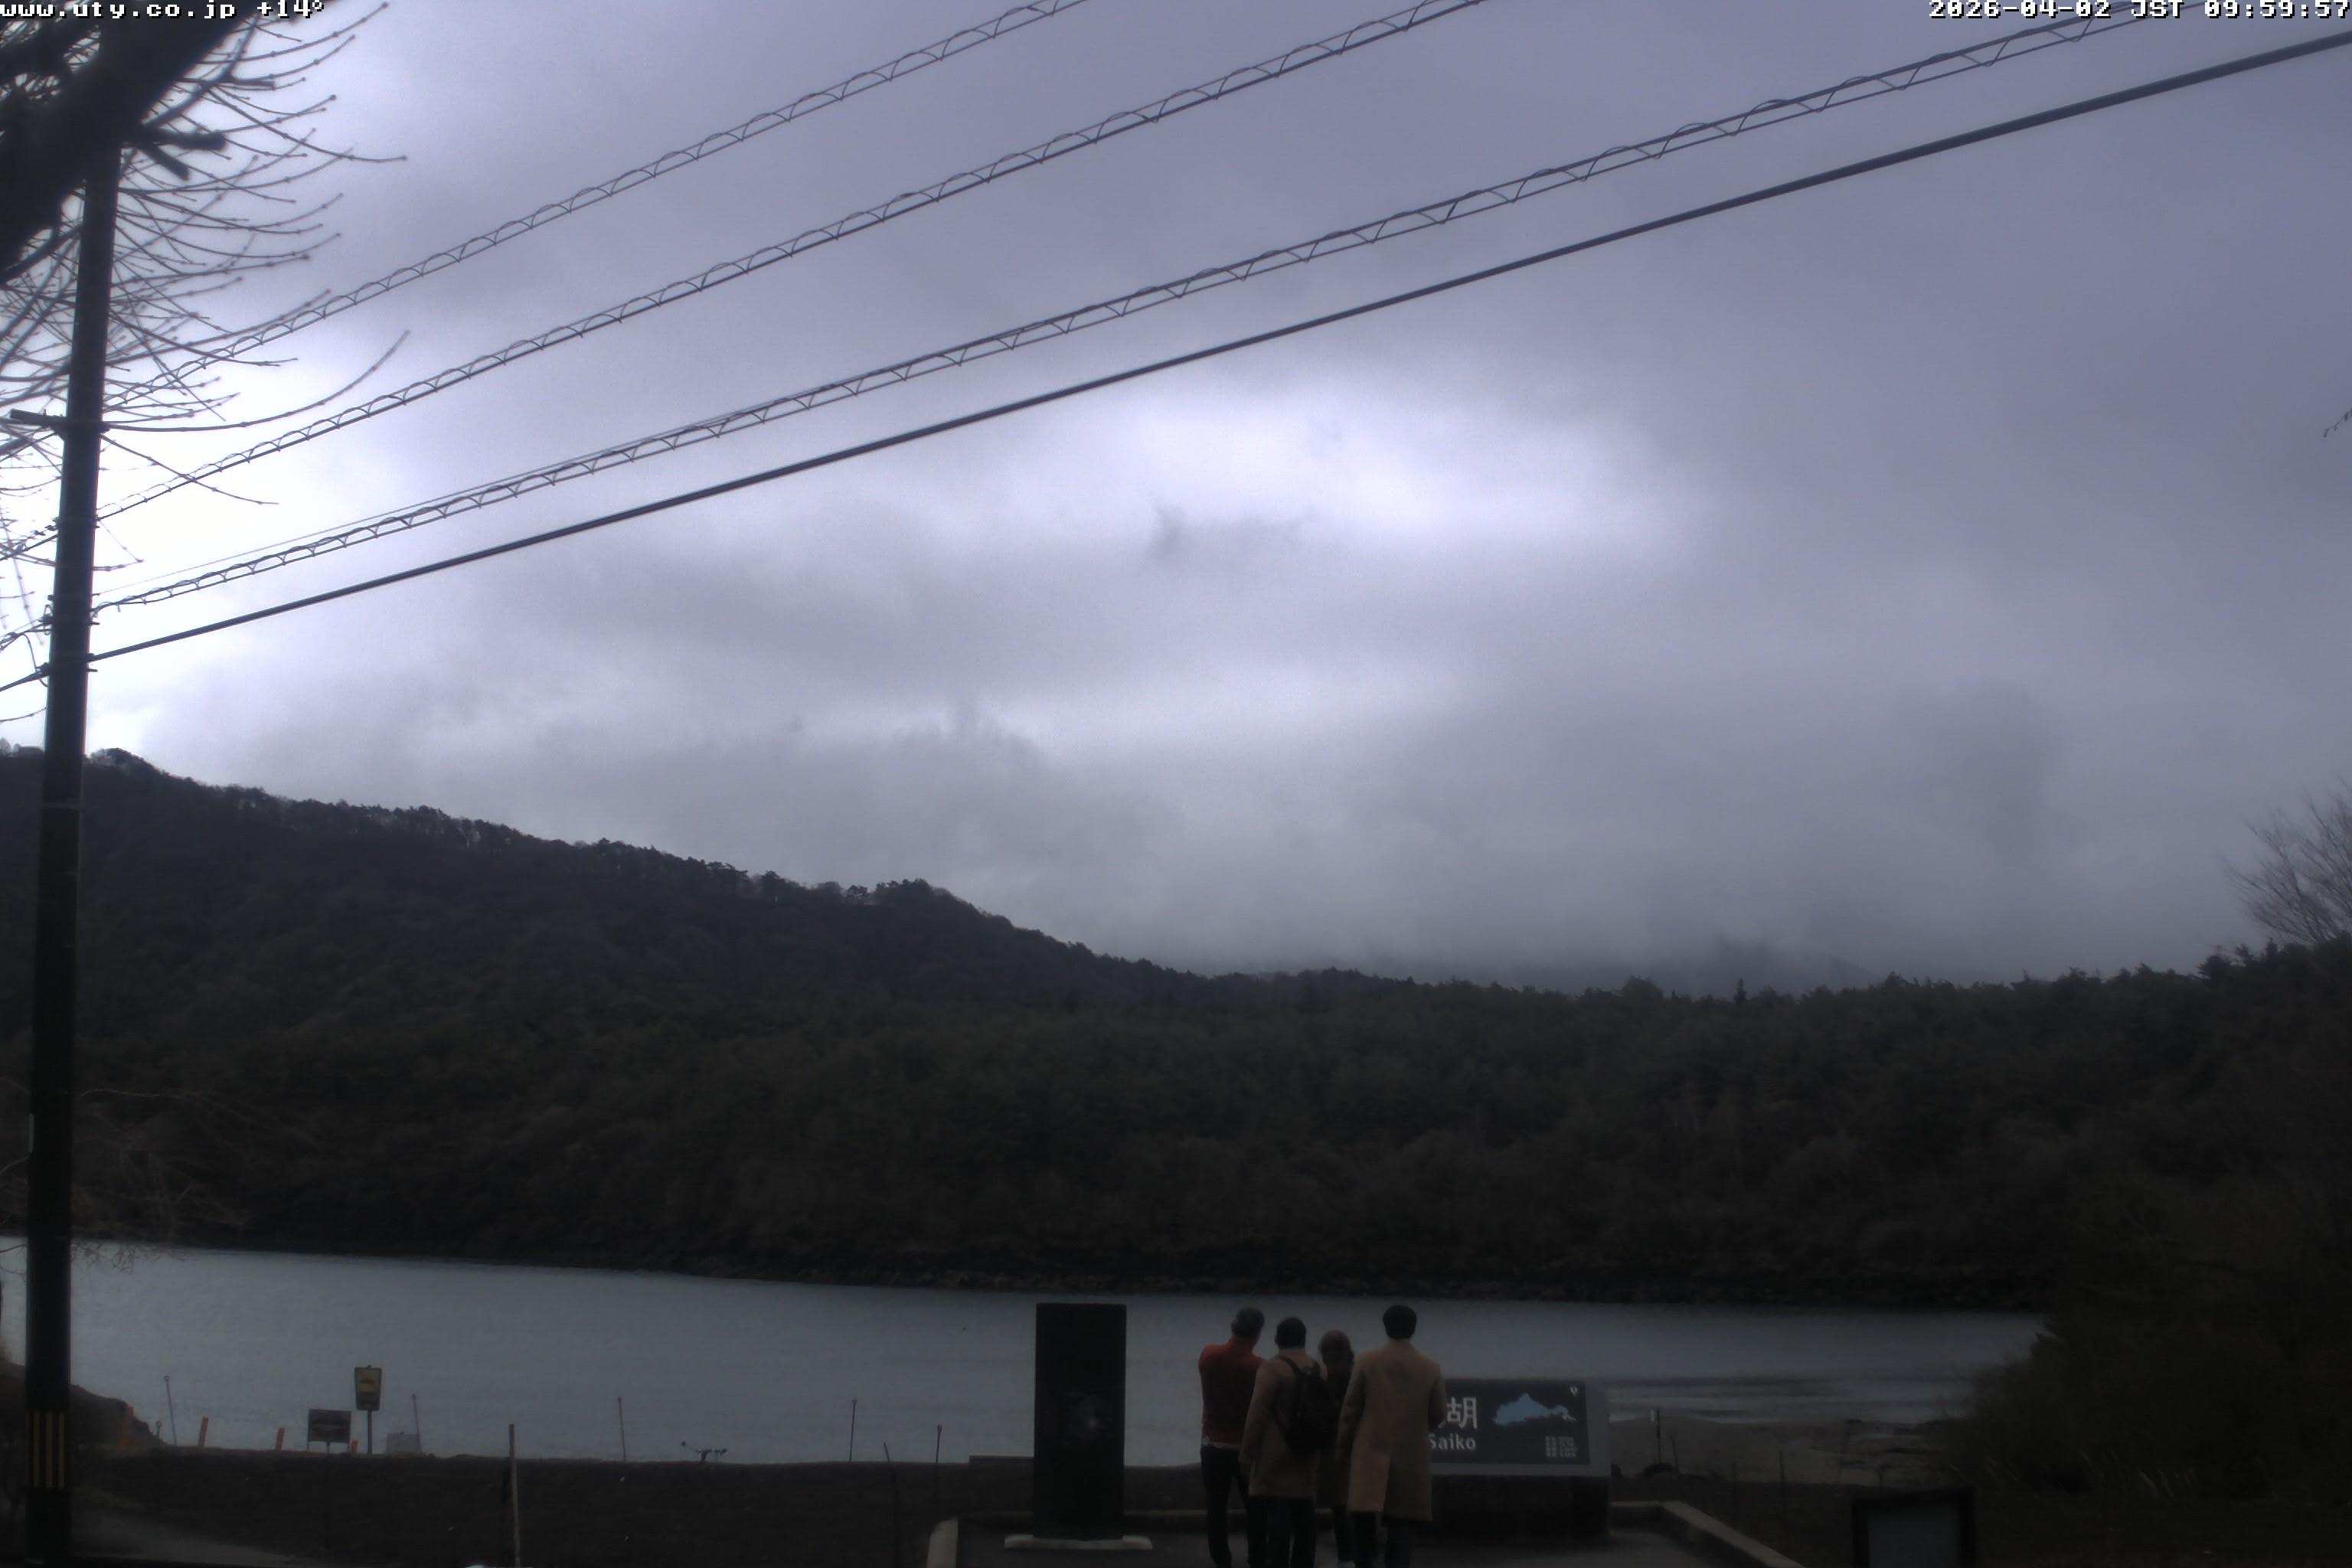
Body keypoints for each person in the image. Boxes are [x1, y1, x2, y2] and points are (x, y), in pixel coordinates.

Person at [1336, 1303, 1445, 1568]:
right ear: (1413, 1329)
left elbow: (1350, 1410)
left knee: (1363, 1518)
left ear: (1385, 1327)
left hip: (1370, 1451)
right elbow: (1438, 1413)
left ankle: (1365, 1562)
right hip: (1410, 1455)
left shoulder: (1367, 1361)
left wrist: (1343, 1449)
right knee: (1402, 1522)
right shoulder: (1430, 1367)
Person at [1240, 1316, 1325, 1568]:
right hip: (1308, 1454)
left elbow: (1257, 1414)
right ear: (1304, 1340)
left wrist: (1247, 1454)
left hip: (1276, 1455)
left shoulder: (1273, 1368)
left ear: (1277, 1339)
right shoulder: (1319, 1370)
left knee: (1278, 1525)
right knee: (1305, 1522)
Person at [1200, 1305, 1267, 1568]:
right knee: (1256, 1509)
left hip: (1213, 1443)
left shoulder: (1208, 1355)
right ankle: (1257, 1558)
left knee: (1216, 1507)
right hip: (1245, 1447)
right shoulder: (1258, 1367)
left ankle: (1221, 1559)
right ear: (1257, 1333)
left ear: (1233, 1326)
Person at [1315, 1328, 1357, 1564]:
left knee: (1338, 1506)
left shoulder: (1322, 1377)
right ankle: (1358, 1556)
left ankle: (1344, 1557)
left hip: (1330, 1448)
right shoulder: (1357, 1375)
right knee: (1355, 1507)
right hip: (1358, 1447)